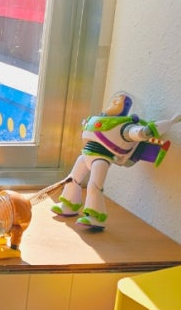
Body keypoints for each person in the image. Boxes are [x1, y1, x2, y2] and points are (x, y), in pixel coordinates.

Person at [51, 91, 180, 229]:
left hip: (101, 159)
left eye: (119, 101)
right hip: (86, 155)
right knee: (72, 179)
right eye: (114, 99)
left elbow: (140, 133)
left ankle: (96, 216)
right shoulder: (98, 120)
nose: (114, 101)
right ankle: (69, 205)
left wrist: (162, 125)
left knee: (94, 185)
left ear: (126, 108)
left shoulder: (124, 126)